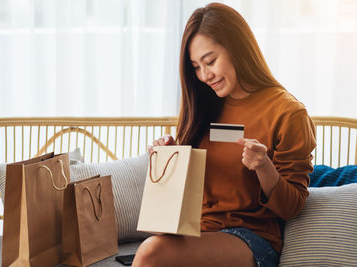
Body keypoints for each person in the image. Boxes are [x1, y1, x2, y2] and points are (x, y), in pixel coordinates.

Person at [133, 3, 316, 267]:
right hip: (197, 232)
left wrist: (264, 167)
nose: (204, 75)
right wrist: (172, 158)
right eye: (196, 66)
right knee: (153, 251)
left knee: (152, 254)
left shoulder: (287, 113)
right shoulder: (203, 106)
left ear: (238, 49)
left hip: (253, 238)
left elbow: (292, 207)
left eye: (210, 61)